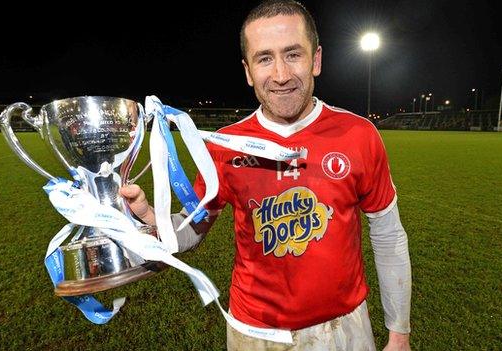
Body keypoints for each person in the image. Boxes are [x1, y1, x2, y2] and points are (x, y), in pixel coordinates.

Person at [121, 1, 412, 350]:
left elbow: (389, 233)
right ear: (248, 71)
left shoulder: (358, 134)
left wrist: (399, 334)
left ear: (316, 59)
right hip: (254, 332)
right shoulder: (224, 146)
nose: (280, 75)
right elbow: (191, 231)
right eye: (264, 58)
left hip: (344, 327)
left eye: (293, 54)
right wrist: (154, 221)